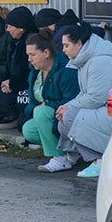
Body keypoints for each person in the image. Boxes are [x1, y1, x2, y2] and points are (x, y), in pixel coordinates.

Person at [56, 23, 112, 178]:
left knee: (70, 116)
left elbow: (96, 98)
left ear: (79, 43)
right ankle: (88, 158)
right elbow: (85, 94)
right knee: (63, 119)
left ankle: (101, 160)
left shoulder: (99, 62)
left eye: (66, 45)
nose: (63, 50)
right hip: (106, 109)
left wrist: (68, 109)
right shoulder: (85, 61)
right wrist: (66, 106)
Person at [21, 30, 80, 173]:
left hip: (67, 117)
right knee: (28, 130)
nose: (29, 59)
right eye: (28, 55)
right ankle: (70, 151)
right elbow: (32, 102)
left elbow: (72, 101)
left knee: (42, 112)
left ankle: (59, 158)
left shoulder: (66, 70)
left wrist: (45, 105)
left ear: (46, 53)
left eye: (33, 55)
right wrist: (34, 109)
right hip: (49, 117)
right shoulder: (35, 71)